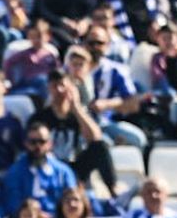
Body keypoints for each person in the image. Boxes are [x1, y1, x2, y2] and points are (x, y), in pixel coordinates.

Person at [30, 69, 117, 198]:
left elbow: (95, 137)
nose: (59, 90)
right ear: (49, 89)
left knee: (100, 147)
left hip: (75, 166)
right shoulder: (40, 117)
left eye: (62, 86)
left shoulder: (77, 115)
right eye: (55, 86)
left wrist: (76, 107)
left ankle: (114, 192)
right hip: (49, 166)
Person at [1, 123, 77, 218]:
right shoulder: (14, 172)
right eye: (33, 142)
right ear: (26, 143)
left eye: (42, 142)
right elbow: (13, 205)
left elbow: (72, 199)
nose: (38, 146)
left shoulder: (64, 172)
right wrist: (37, 216)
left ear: (50, 144)